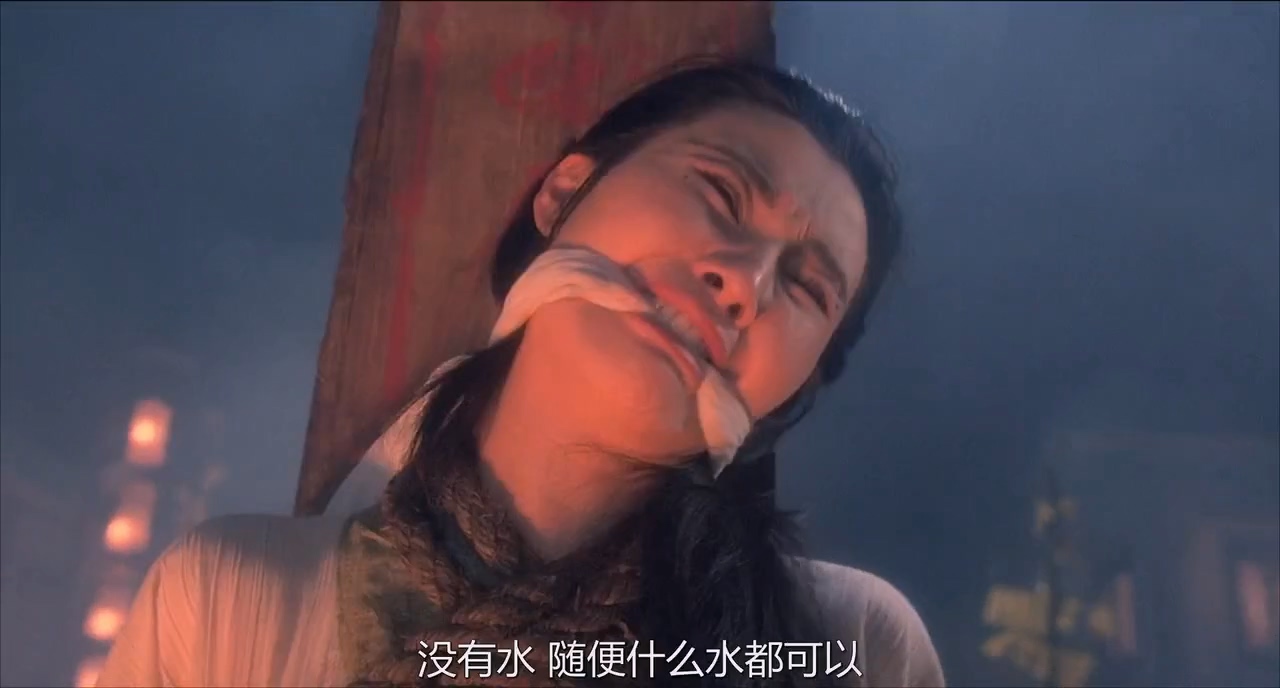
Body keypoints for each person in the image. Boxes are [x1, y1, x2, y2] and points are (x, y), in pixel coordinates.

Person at [97, 59, 944, 688]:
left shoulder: (852, 647)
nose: (746, 285)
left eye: (807, 287)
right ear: (564, 193)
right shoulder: (227, 600)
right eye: (720, 194)